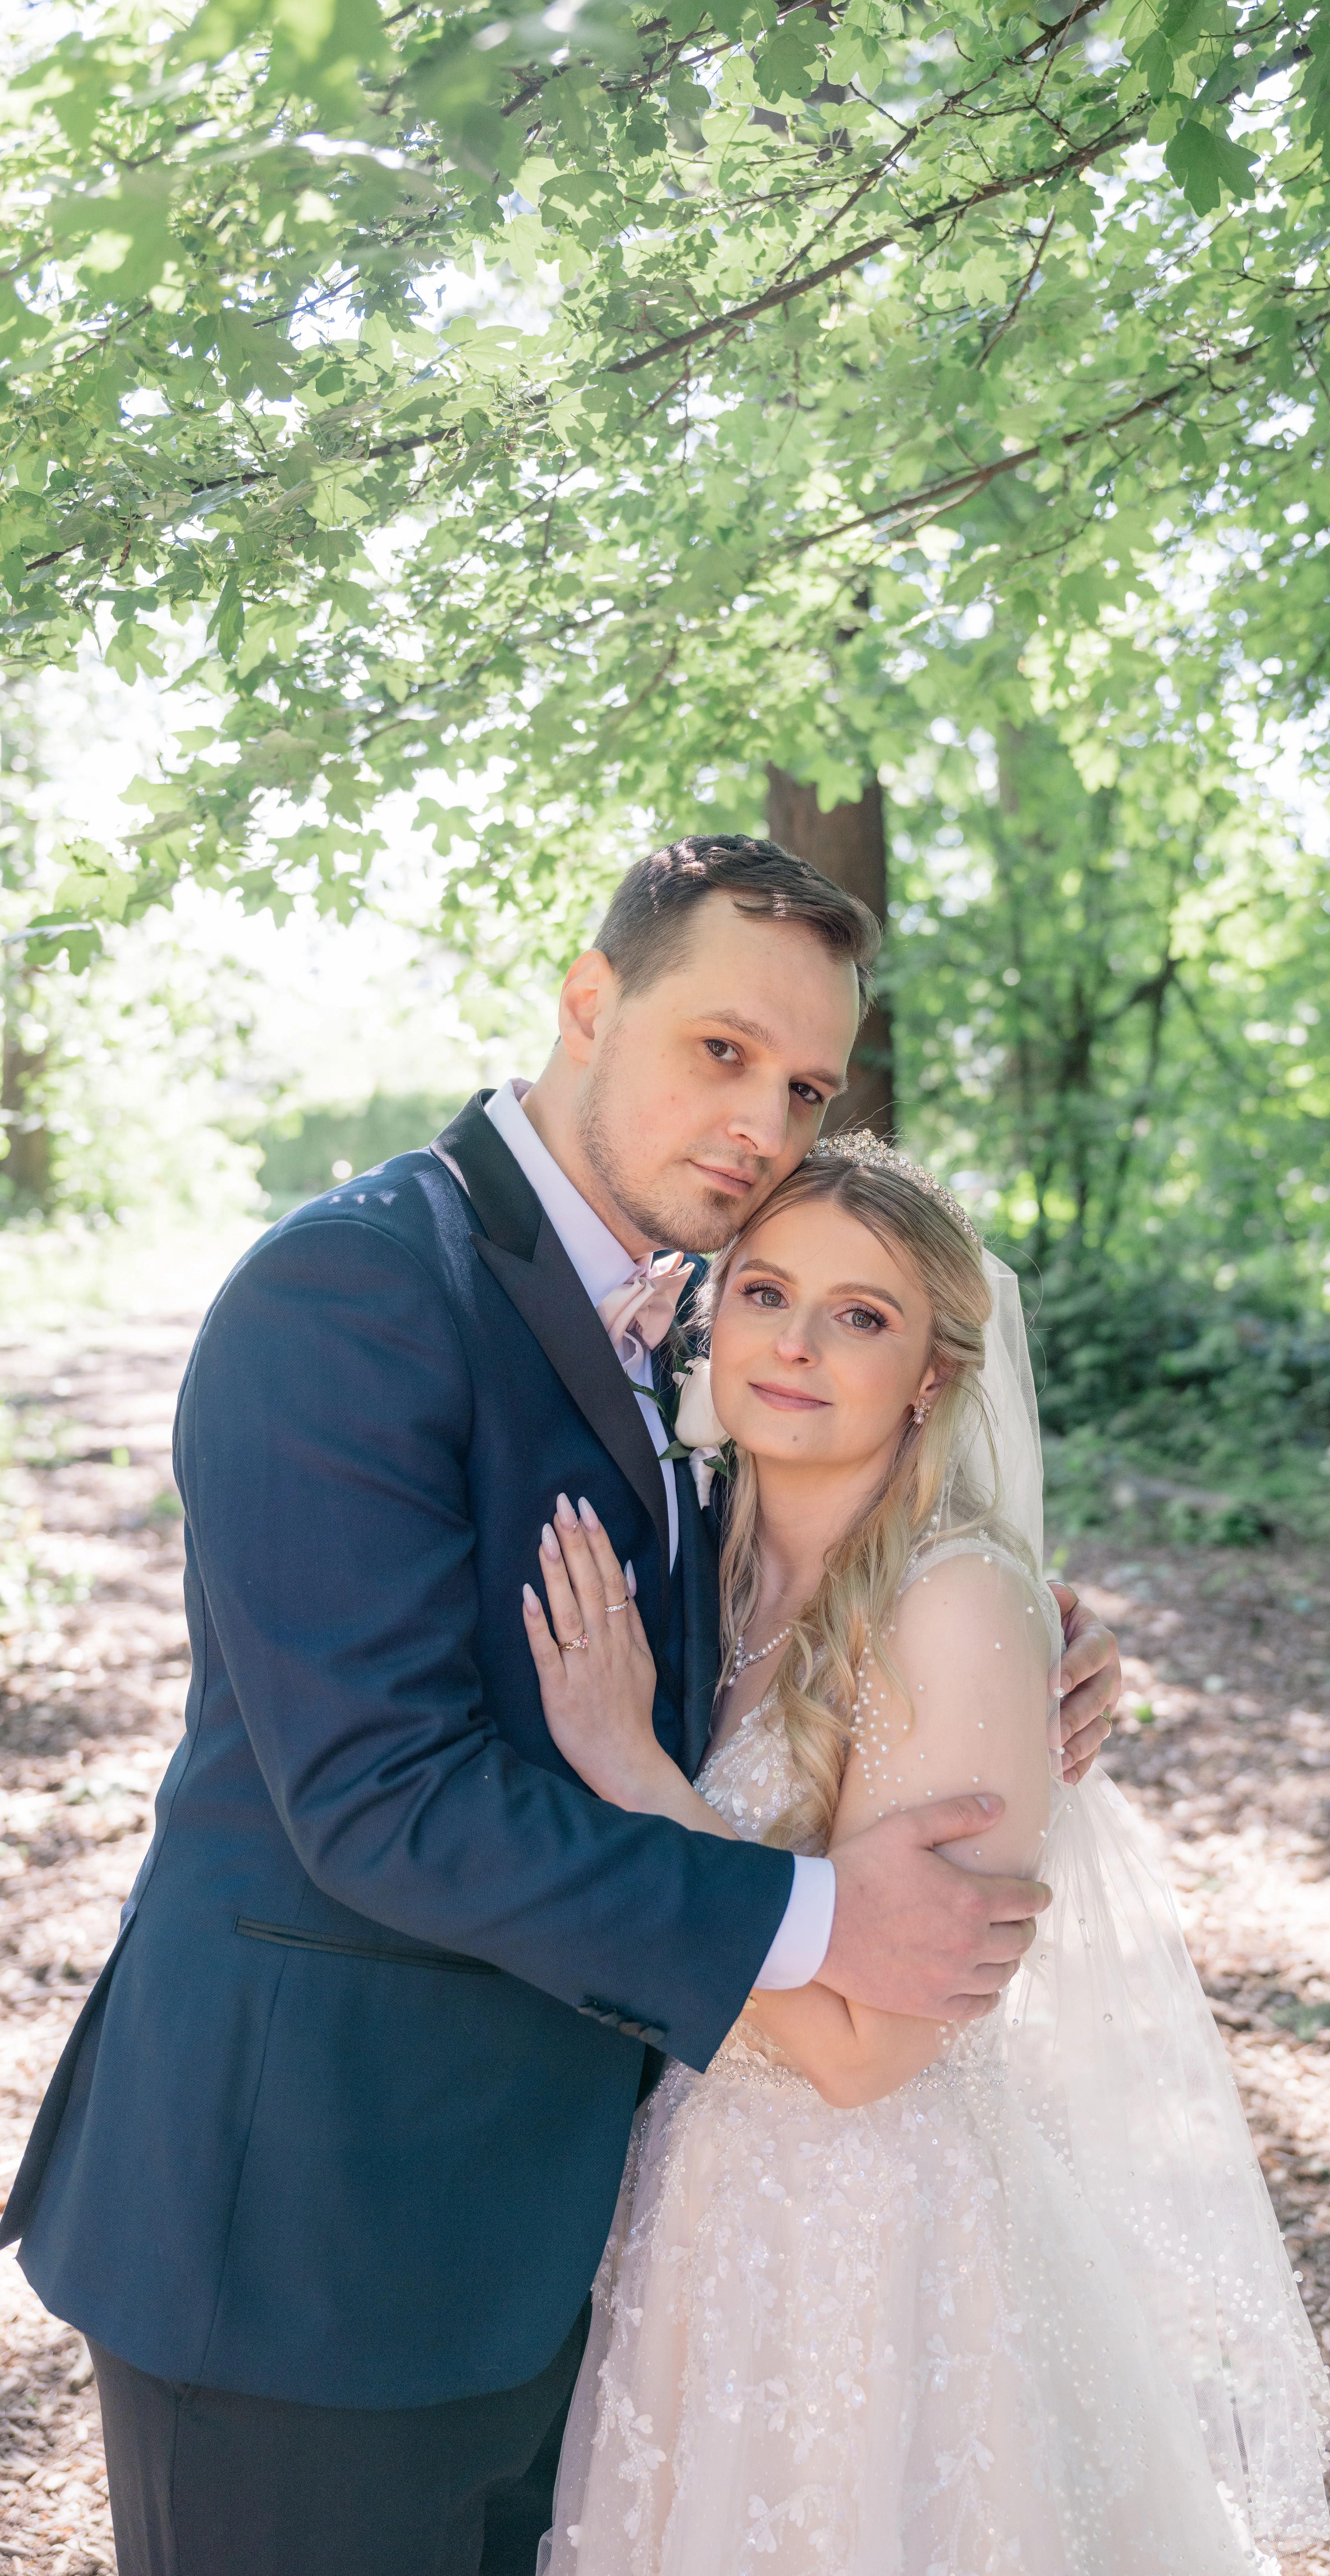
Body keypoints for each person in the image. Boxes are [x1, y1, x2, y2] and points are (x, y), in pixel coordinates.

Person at [0, 834, 1122, 2576]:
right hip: (310, 2240)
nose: (764, 1118)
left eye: (807, 1084)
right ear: (591, 1002)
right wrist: (823, 1918)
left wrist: (996, 1629)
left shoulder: (695, 1316)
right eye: (721, 1050)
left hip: (570, 2244)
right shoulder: (352, 1294)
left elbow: (784, 1585)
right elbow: (381, 1798)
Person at [525, 1137, 1330, 2576]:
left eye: (862, 1316)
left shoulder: (952, 1606)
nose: (796, 1343)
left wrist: (636, 1782)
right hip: (693, 2217)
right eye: (768, 1292)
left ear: (934, 1379)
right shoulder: (704, 1552)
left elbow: (862, 2055)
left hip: (868, 2249)